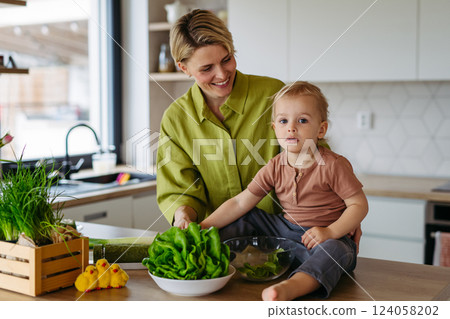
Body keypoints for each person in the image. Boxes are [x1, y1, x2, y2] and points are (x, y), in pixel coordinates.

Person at [200, 82, 369, 301]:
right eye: (283, 121)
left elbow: (359, 205)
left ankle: (292, 287)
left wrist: (331, 231)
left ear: (321, 129)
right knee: (247, 215)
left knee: (336, 251)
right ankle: (204, 256)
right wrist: (202, 227)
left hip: (325, 237)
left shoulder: (334, 165)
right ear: (275, 128)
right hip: (285, 233)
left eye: (302, 120)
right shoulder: (274, 165)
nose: (291, 127)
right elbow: (241, 203)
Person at [156, 9, 285, 228]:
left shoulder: (273, 94)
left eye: (227, 59)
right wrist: (182, 215)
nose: (222, 74)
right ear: (183, 67)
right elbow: (179, 191)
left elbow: (316, 163)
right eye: (207, 68)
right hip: (216, 247)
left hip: (283, 242)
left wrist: (341, 211)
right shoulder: (176, 119)